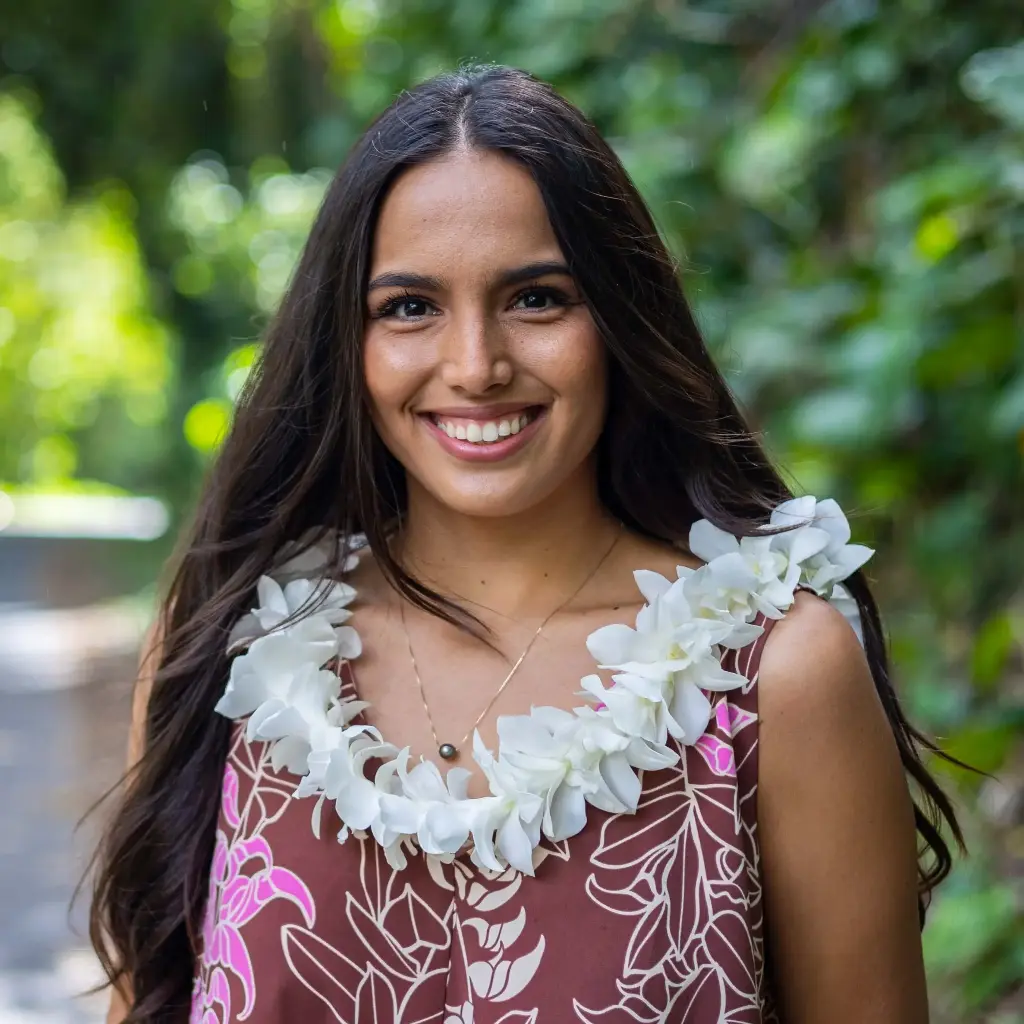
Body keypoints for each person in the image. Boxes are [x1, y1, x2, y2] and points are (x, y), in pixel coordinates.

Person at [93, 64, 961, 1023]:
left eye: (537, 298)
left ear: (619, 317)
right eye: (409, 307)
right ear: (349, 340)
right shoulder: (232, 643)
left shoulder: (774, 677)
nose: (475, 366)